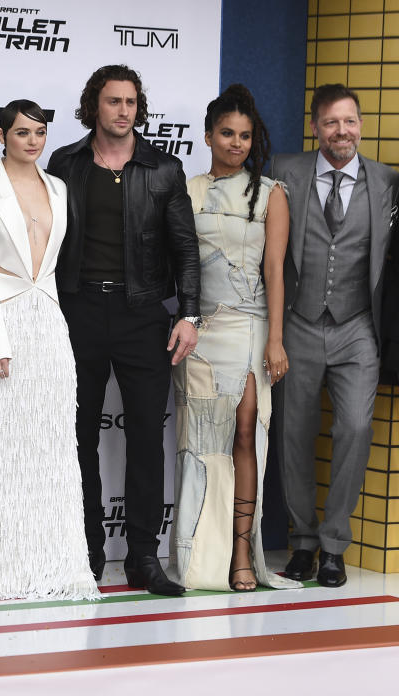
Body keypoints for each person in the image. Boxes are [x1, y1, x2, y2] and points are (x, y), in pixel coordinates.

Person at [48, 64, 200, 596]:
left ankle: (142, 557)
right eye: (113, 102)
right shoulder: (64, 163)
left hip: (143, 318)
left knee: (145, 440)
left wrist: (190, 314)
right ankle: (85, 552)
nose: (123, 111)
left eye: (131, 102)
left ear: (139, 107)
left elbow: (185, 248)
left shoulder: (163, 169)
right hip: (78, 314)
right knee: (77, 437)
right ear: (95, 106)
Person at [0, 100, 100, 600]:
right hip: (3, 323)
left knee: (53, 448)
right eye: (22, 133)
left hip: (49, 323)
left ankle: (58, 563)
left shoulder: (59, 187)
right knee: (0, 449)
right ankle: (1, 567)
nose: (33, 141)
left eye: (40, 133)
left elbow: (55, 267)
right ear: (1, 136)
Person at [172, 85, 300, 593]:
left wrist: (276, 341)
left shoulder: (271, 193)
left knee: (247, 435)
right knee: (201, 444)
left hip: (251, 331)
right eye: (227, 133)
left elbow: (275, 271)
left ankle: (243, 554)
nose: (237, 143)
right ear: (207, 136)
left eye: (245, 136)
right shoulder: (188, 190)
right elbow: (176, 265)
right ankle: (200, 559)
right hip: (200, 334)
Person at [272, 84, 399, 587]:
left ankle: (334, 544)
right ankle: (303, 542)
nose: (341, 132)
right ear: (314, 127)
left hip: (359, 329)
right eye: (330, 123)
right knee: (294, 434)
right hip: (299, 324)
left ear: (360, 125)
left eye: (349, 122)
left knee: (354, 429)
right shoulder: (285, 171)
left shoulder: (387, 181)